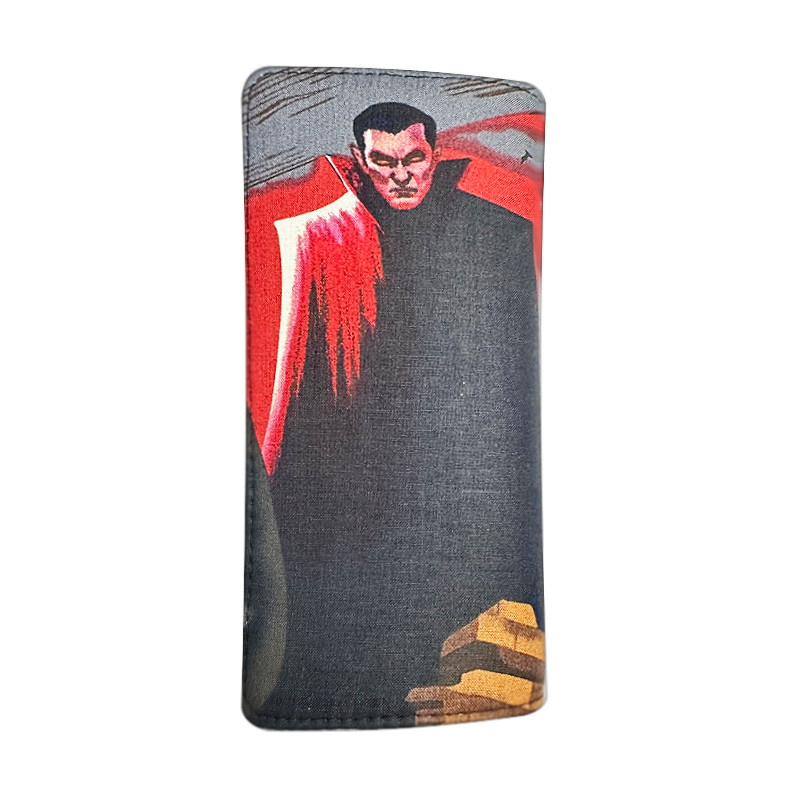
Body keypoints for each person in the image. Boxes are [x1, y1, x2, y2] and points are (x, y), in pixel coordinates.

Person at [257, 103, 543, 723]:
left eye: (414, 159)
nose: (403, 176)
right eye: (384, 163)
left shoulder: (498, 235)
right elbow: (297, 407)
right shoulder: (324, 236)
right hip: (353, 501)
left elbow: (515, 391)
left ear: (435, 155)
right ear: (359, 162)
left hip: (461, 493)